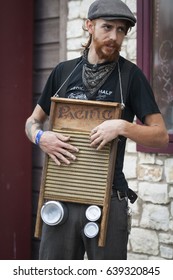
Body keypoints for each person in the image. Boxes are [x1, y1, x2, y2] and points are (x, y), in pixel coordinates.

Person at [25, 0, 168, 260]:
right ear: (89, 26)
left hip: (109, 198)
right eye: (108, 27)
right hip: (61, 198)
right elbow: (32, 122)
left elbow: (159, 135)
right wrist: (40, 136)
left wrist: (123, 126)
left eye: (122, 30)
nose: (115, 36)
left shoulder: (131, 76)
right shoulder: (63, 72)